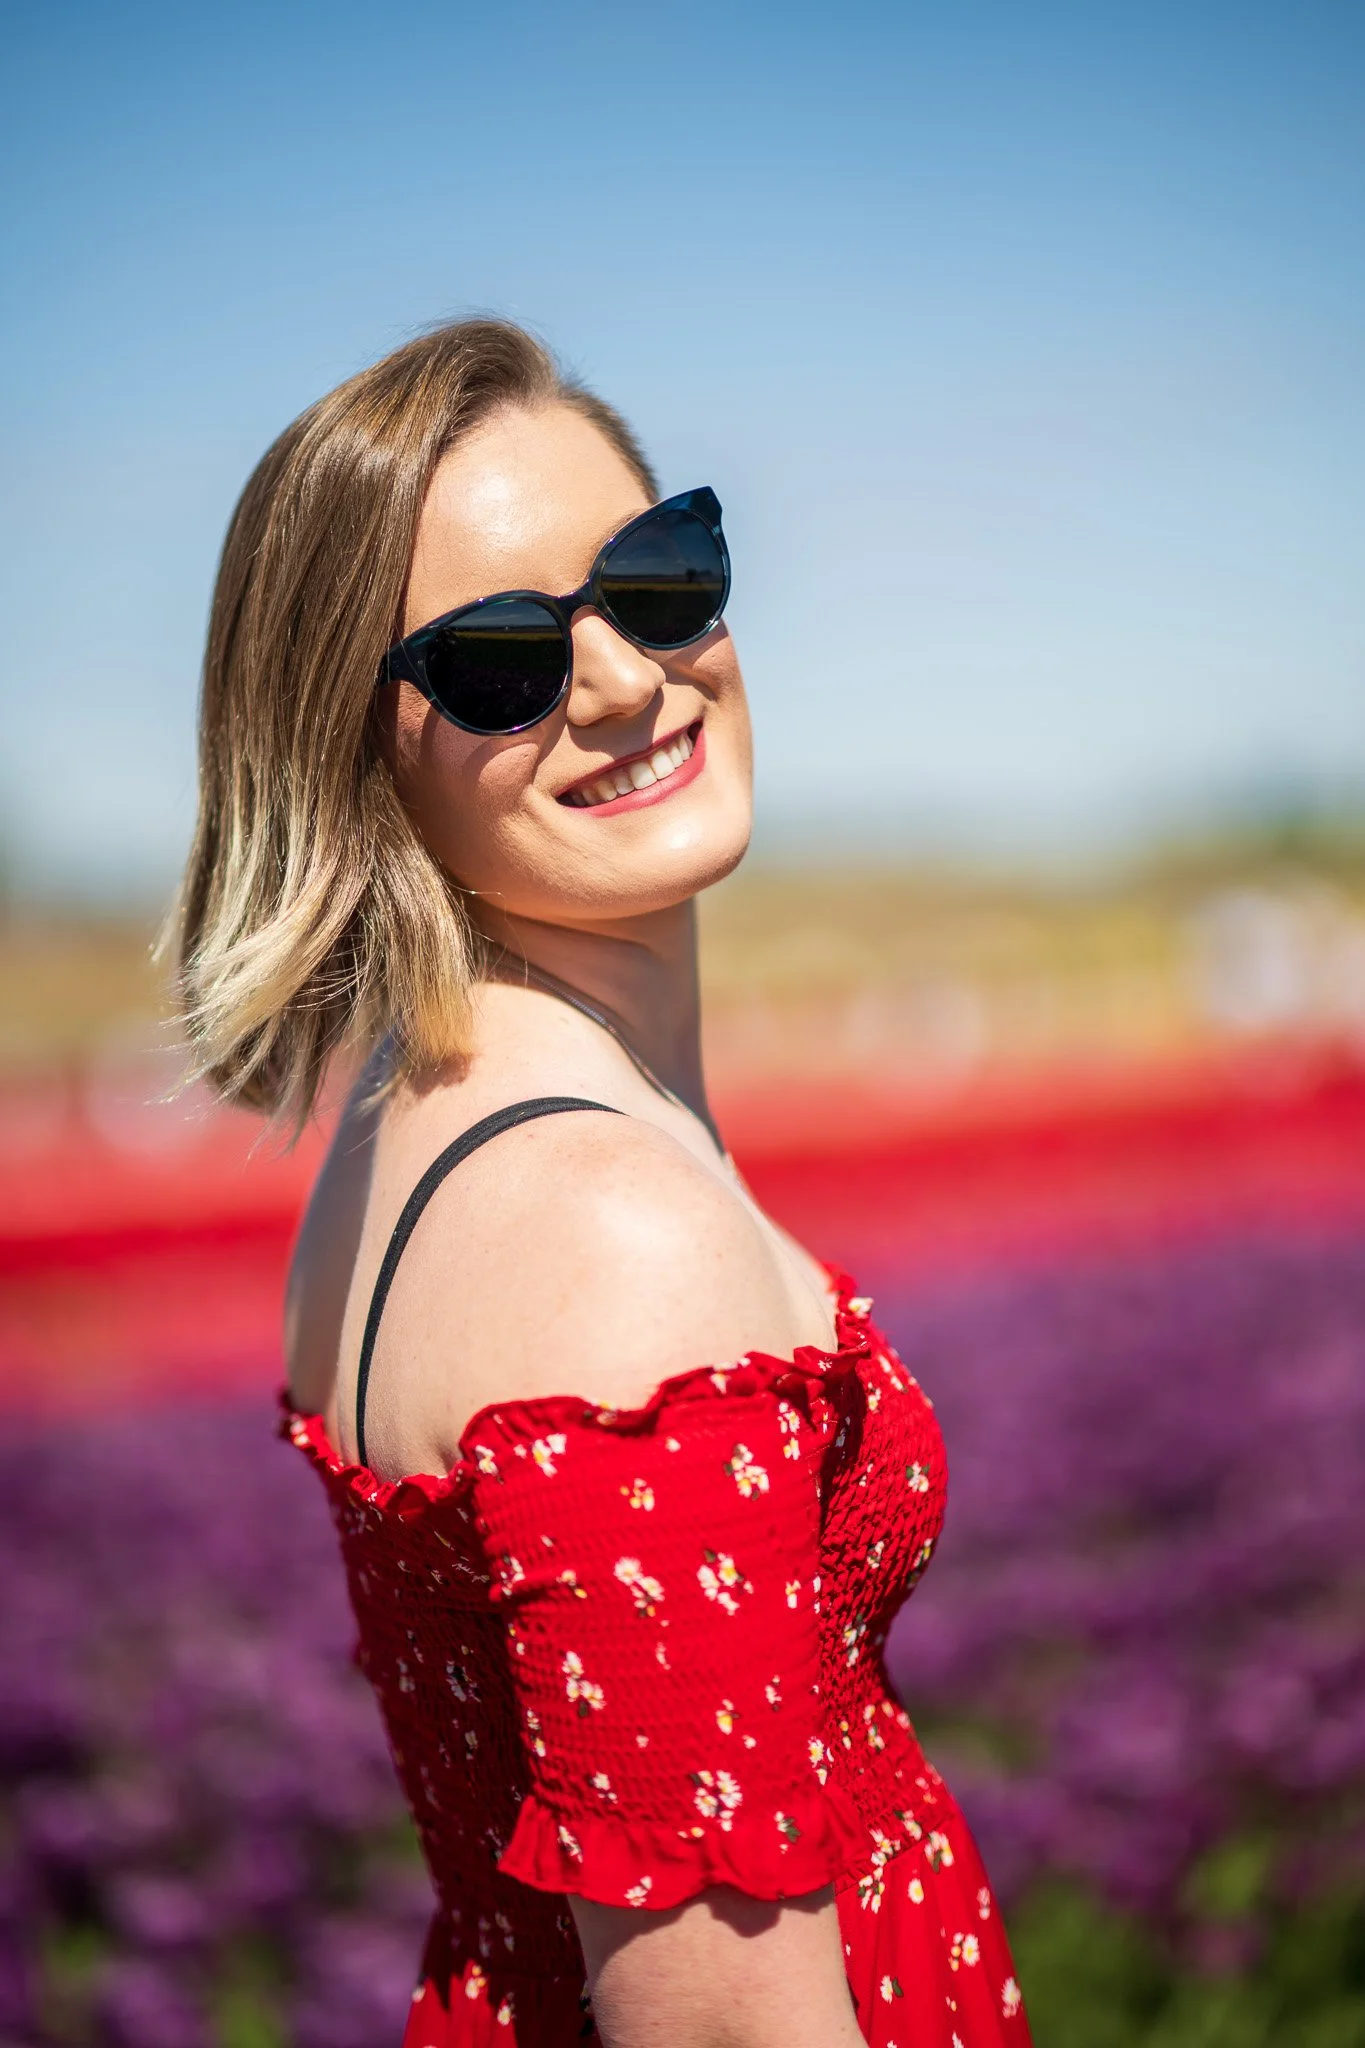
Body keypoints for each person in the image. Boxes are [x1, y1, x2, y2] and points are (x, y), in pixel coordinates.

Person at [168, 319, 1032, 2048]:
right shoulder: (604, 1229)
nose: (630, 679)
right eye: (498, 659)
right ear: (351, 755)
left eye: (658, 576)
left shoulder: (412, 1121)